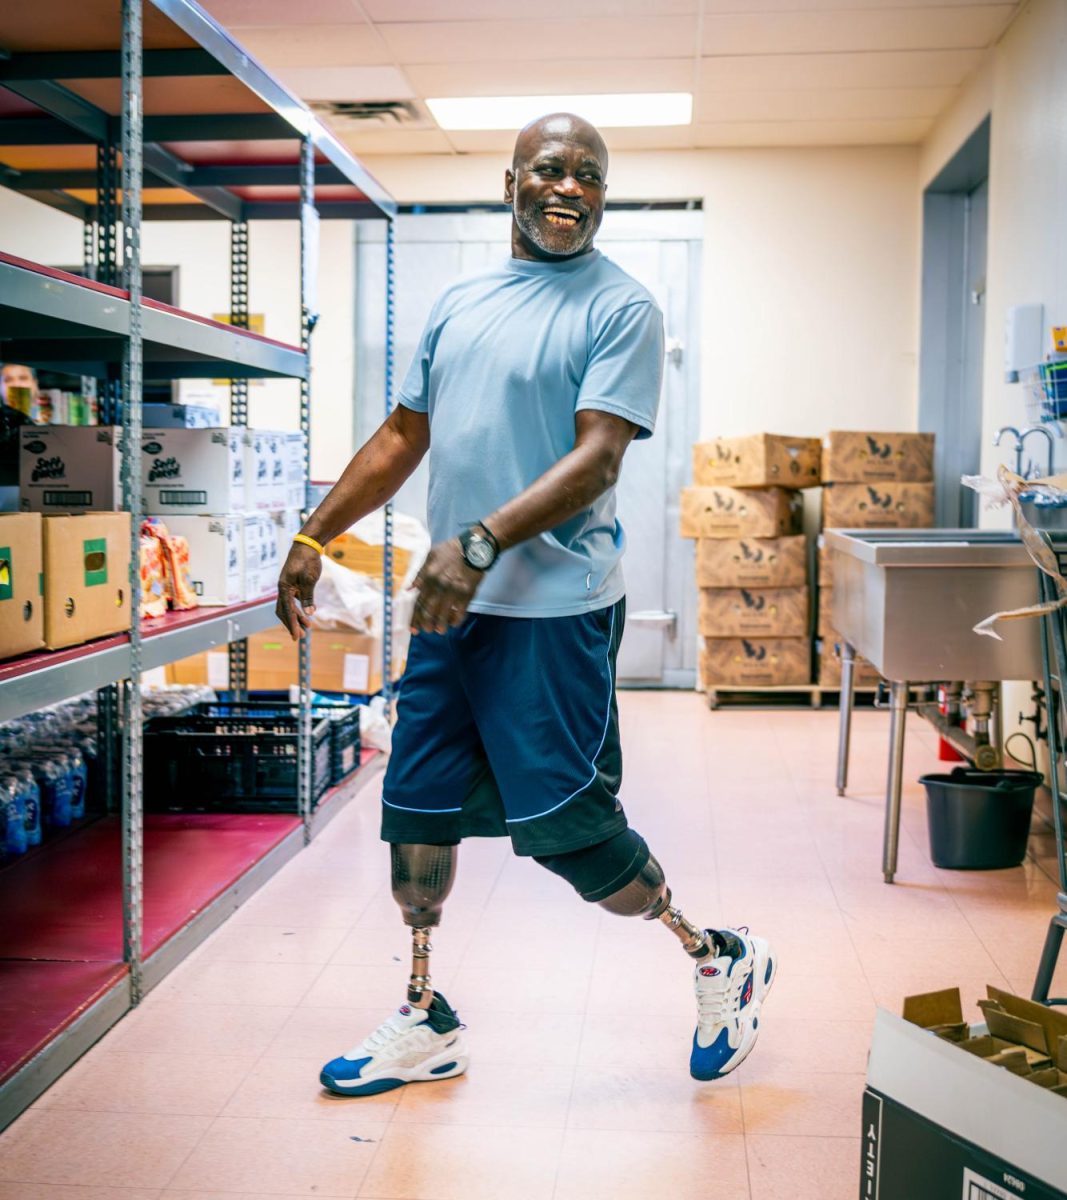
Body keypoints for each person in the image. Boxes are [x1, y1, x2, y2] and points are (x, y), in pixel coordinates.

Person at [276, 113, 775, 1097]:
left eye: (590, 175)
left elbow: (595, 459)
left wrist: (477, 542)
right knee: (414, 818)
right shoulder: (460, 301)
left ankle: (716, 951)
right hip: (449, 614)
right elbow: (400, 433)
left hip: (552, 614)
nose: (570, 189)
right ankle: (424, 1018)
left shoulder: (621, 309)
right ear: (511, 180)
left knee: (571, 838)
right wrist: (311, 532)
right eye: (550, 169)